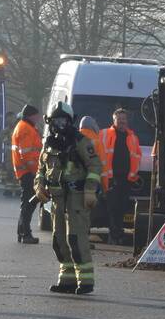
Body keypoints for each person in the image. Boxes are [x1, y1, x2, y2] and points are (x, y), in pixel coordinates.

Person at [35, 102, 102, 294]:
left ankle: (86, 281)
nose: (60, 124)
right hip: (57, 199)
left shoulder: (80, 141)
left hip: (77, 198)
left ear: (70, 121)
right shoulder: (48, 145)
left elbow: (95, 166)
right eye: (56, 120)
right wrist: (39, 187)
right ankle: (67, 279)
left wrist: (90, 190)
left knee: (76, 238)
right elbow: (41, 169)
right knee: (59, 240)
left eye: (63, 120)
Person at [101, 108, 141, 246]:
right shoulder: (105, 134)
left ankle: (118, 232)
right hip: (110, 178)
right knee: (112, 208)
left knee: (122, 208)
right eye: (119, 120)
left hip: (126, 179)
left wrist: (133, 175)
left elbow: (137, 156)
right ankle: (115, 235)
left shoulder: (133, 137)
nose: (122, 122)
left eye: (124, 119)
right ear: (114, 121)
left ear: (127, 121)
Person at [11, 104, 44, 244]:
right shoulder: (25, 129)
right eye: (37, 115)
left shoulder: (25, 127)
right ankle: (25, 234)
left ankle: (22, 232)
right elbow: (26, 155)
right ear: (32, 115)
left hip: (26, 172)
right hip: (28, 172)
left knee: (27, 203)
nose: (38, 117)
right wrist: (36, 172)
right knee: (29, 204)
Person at [78, 116, 111, 192]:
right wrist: (105, 187)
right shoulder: (97, 142)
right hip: (93, 184)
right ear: (93, 126)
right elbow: (103, 167)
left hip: (75, 184)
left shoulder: (73, 139)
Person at [0, 111, 17, 197]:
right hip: (9, 155)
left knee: (17, 172)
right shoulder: (5, 131)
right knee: (9, 172)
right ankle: (8, 190)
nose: (11, 121)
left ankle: (18, 190)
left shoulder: (18, 129)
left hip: (18, 155)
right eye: (9, 119)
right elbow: (3, 139)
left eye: (12, 118)